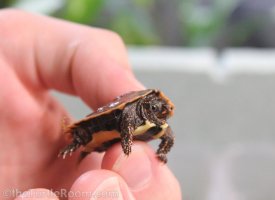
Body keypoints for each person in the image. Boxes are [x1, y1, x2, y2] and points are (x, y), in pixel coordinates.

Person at [0, 9, 181, 200]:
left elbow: (168, 137)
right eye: (156, 107)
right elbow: (128, 114)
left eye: (163, 111)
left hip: (100, 157)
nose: (160, 111)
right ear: (148, 104)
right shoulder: (135, 109)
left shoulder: (161, 126)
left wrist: (161, 153)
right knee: (89, 133)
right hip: (107, 123)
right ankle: (76, 141)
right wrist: (126, 141)